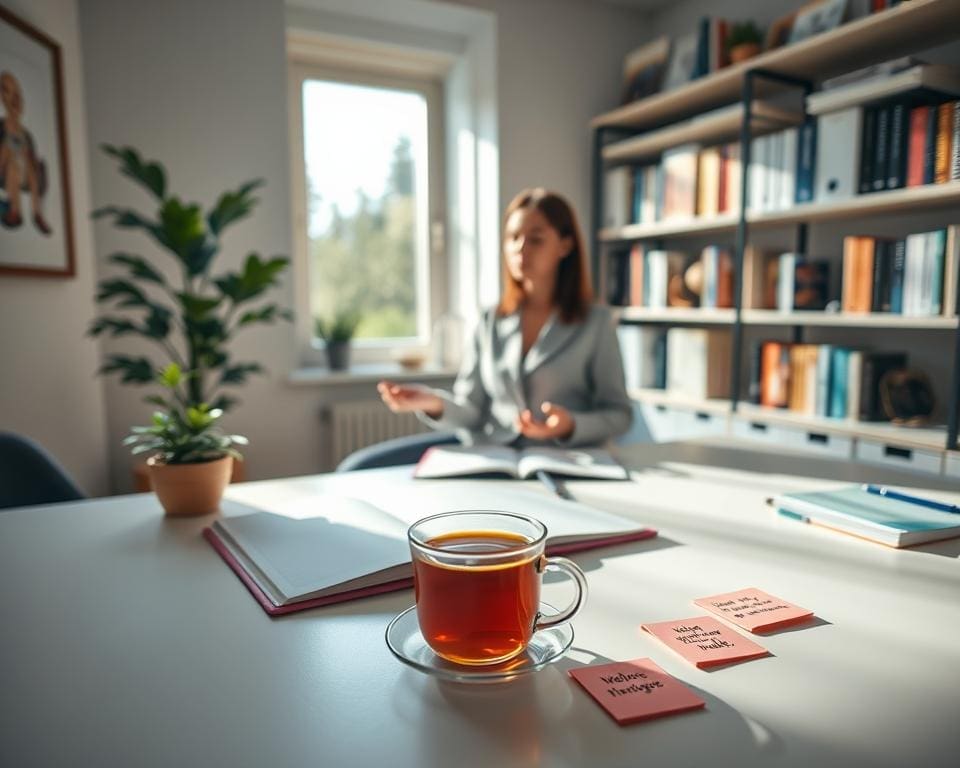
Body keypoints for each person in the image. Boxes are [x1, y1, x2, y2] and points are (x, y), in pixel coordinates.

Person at [378, 187, 632, 448]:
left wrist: (570, 425)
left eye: (536, 239)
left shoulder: (595, 322)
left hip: (565, 462)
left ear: (565, 245)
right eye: (513, 237)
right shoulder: (491, 320)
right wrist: (433, 402)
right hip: (498, 459)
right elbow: (471, 409)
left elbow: (619, 414)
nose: (520, 248)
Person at [0, 71, 52, 234]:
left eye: (17, 93)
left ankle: (37, 213)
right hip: (5, 169)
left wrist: (31, 160)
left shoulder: (26, 134)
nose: (15, 98)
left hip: (26, 173)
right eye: (8, 92)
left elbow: (32, 155)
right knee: (13, 165)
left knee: (29, 166)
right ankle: (15, 210)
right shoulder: (2, 126)